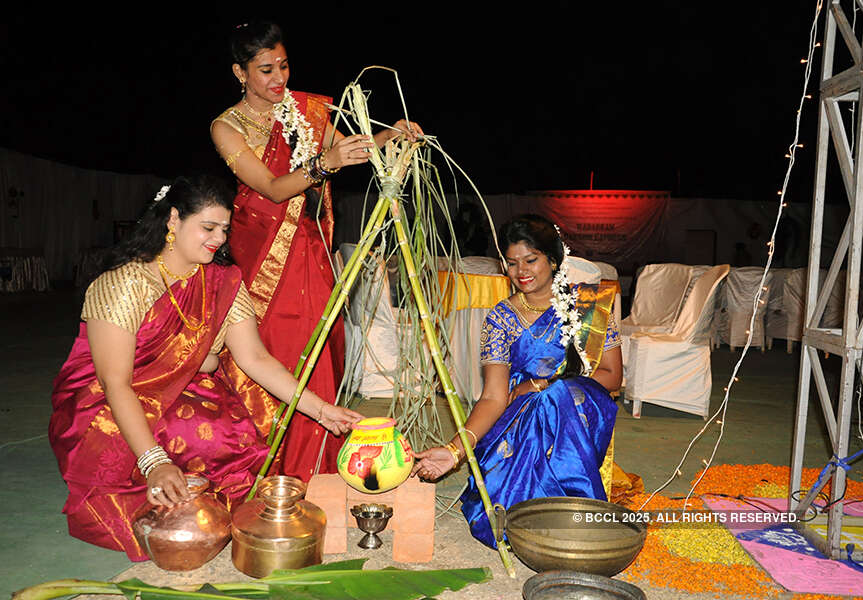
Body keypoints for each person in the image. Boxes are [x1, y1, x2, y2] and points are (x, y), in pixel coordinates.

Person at [49, 176, 362, 560]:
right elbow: (115, 384)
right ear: (173, 220)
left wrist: (323, 411)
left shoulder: (221, 281)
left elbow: (255, 359)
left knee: (234, 434)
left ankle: (201, 501)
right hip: (108, 402)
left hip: (185, 389)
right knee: (185, 440)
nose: (218, 238)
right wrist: (155, 463)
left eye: (224, 230)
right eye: (208, 227)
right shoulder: (125, 283)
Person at [210, 21, 422, 481]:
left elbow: (347, 150)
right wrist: (325, 163)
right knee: (270, 347)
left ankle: (315, 466)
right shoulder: (226, 127)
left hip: (310, 245)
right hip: (261, 252)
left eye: (283, 65)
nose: (278, 78)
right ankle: (263, 465)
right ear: (239, 72)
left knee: (316, 349)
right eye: (265, 69)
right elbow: (269, 186)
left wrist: (390, 137)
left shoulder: (308, 108)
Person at [411, 215, 623, 548]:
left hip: (582, 408)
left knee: (560, 396)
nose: (521, 271)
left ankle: (574, 505)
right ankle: (547, 513)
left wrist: (545, 385)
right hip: (519, 414)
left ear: (553, 260)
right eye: (511, 263)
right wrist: (455, 451)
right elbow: (494, 397)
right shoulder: (500, 317)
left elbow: (612, 377)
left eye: (531, 260)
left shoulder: (588, 307)